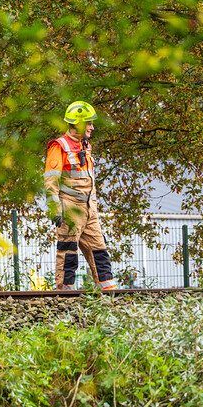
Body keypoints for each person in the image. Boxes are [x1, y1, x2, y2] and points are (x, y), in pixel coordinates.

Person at [44, 101, 117, 290]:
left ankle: (109, 293)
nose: (92, 127)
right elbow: (50, 181)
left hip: (89, 209)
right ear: (78, 124)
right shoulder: (58, 146)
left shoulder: (85, 146)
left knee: (99, 251)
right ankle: (64, 295)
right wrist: (55, 208)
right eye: (89, 123)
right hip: (70, 208)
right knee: (68, 253)